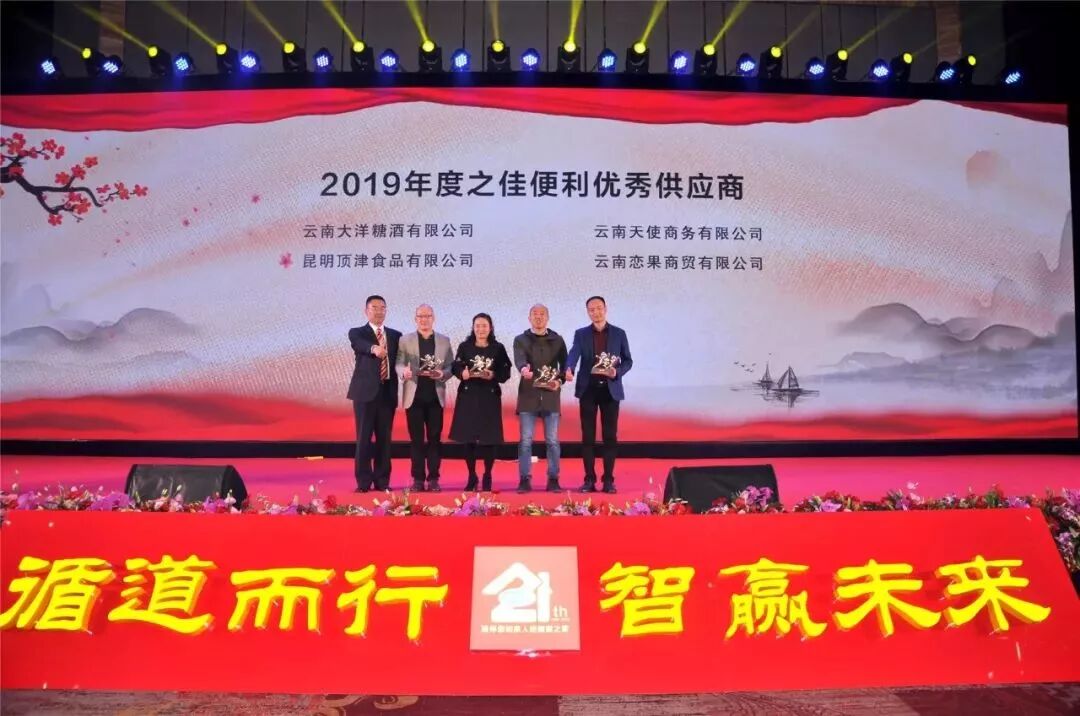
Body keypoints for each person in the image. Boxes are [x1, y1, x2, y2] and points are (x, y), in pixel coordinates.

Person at [566, 296, 633, 493]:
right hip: (588, 389)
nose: (596, 312)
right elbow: (574, 353)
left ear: (606, 309)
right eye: (591, 309)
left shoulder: (619, 333)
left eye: (599, 308)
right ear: (588, 312)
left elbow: (628, 360)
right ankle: (589, 479)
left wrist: (616, 372)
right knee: (587, 437)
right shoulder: (581, 334)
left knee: (610, 437)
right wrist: (569, 368)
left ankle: (608, 480)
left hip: (610, 390)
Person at [449, 313, 512, 492]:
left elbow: (506, 370)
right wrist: (462, 373)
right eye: (477, 325)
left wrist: (494, 374)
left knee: (488, 439)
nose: (481, 329)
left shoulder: (498, 348)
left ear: (490, 328)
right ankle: (471, 476)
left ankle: (487, 475)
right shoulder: (465, 346)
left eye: (484, 326)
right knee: (468, 439)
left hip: (489, 397)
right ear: (473, 327)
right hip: (468, 396)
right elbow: (456, 365)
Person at [397, 304, 454, 492]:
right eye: (420, 316)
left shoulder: (444, 341)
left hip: (435, 397)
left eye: (427, 316)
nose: (424, 319)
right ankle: (418, 479)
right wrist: (403, 372)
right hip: (413, 397)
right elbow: (398, 363)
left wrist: (443, 374)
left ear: (433, 318)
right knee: (416, 440)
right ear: (415, 319)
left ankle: (434, 478)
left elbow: (451, 366)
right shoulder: (405, 340)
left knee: (435, 439)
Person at [347, 295, 400, 492]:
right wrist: (374, 348)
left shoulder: (395, 335)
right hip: (365, 394)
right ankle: (363, 482)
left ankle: (382, 481)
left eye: (382, 308)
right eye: (374, 307)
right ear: (366, 311)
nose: (379, 311)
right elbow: (359, 345)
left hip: (387, 392)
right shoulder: (357, 332)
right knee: (364, 438)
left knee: (384, 439)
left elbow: (401, 360)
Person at [513, 304, 567, 493]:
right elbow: (520, 359)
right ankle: (524, 479)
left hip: (551, 396)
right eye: (535, 314)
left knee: (552, 440)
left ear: (548, 317)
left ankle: (553, 478)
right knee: (525, 440)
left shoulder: (558, 340)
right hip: (528, 395)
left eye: (542, 314)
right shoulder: (520, 340)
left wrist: (560, 380)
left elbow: (565, 366)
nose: (538, 317)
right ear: (529, 318)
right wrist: (523, 369)